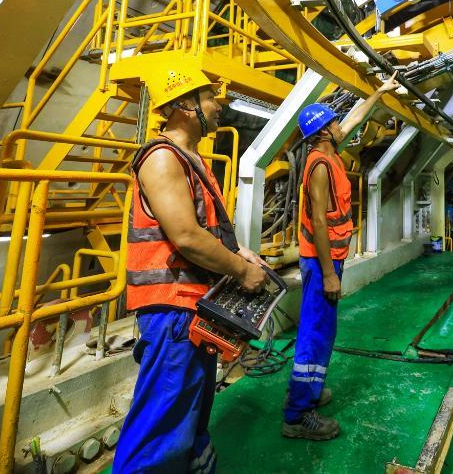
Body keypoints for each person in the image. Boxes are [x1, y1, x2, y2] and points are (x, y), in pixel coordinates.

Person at [113, 57, 267, 473]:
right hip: (173, 309)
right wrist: (241, 271)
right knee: (160, 429)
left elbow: (203, 228)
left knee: (188, 416)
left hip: (191, 307)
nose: (219, 105)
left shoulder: (190, 158)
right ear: (184, 105)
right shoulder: (163, 158)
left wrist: (239, 251)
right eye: (210, 97)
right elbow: (185, 236)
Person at [282, 75, 399, 440]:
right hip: (321, 263)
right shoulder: (319, 165)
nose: (339, 124)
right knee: (315, 331)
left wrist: (378, 93)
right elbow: (318, 221)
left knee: (323, 329)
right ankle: (297, 414)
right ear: (323, 132)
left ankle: (309, 391)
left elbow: (356, 117)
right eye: (334, 122)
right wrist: (330, 273)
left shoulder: (331, 151)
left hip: (329, 259)